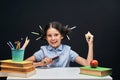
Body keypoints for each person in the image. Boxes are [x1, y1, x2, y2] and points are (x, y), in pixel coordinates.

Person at [25, 21, 94, 67]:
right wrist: (40, 63)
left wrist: (90, 45)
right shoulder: (43, 51)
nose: (53, 38)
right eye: (49, 35)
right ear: (46, 37)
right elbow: (23, 64)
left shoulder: (68, 51)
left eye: (56, 35)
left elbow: (88, 65)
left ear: (62, 36)